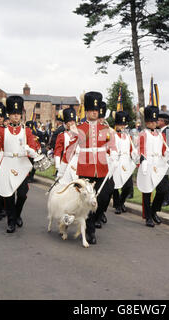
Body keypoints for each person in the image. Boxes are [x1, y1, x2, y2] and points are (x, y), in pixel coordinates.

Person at [58, 92, 117, 244]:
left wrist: (114, 156)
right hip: (85, 171)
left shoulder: (105, 128)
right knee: (87, 202)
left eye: (96, 110)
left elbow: (111, 146)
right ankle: (90, 231)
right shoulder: (78, 128)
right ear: (87, 110)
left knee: (104, 197)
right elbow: (69, 150)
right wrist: (62, 170)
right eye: (91, 110)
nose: (94, 112)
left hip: (102, 168)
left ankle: (94, 221)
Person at [0, 96, 39, 233]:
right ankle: (11, 221)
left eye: (18, 113)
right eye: (13, 114)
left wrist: (30, 150)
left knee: (22, 194)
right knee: (9, 195)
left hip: (22, 164)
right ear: (9, 115)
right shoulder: (1, 131)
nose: (16, 116)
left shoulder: (26, 131)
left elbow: (34, 149)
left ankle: (17, 214)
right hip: (7, 164)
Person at [137, 105, 169, 227]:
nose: (153, 124)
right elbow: (140, 149)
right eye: (151, 121)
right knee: (147, 191)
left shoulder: (160, 135)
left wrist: (167, 153)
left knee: (163, 190)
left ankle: (153, 211)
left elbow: (163, 149)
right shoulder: (142, 134)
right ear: (147, 122)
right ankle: (148, 217)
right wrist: (143, 160)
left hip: (159, 165)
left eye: (155, 121)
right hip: (147, 164)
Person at [112, 111, 138, 214]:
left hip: (126, 162)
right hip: (117, 162)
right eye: (120, 125)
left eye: (124, 125)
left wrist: (134, 153)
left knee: (127, 186)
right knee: (115, 186)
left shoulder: (128, 136)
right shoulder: (113, 136)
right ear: (116, 125)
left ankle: (121, 202)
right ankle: (117, 205)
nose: (122, 127)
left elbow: (131, 148)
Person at [157, 113, 169, 207]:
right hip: (160, 159)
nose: (157, 122)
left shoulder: (168, 131)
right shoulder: (160, 131)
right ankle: (161, 198)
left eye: (158, 120)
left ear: (163, 121)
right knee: (160, 180)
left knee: (164, 181)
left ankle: (166, 200)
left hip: (166, 160)